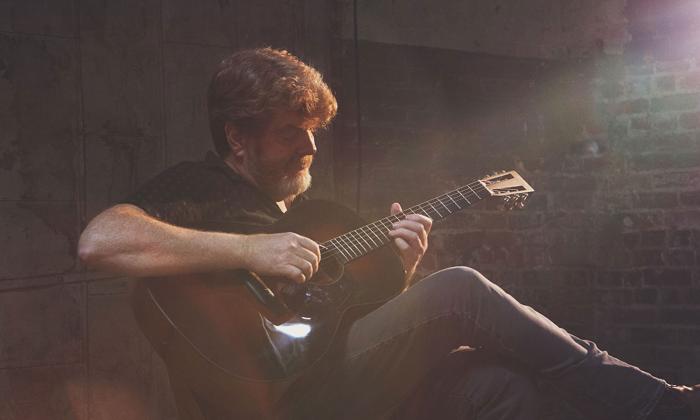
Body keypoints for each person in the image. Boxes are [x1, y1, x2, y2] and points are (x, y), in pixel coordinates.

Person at [78, 47, 699, 420]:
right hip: (279, 398)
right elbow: (100, 240)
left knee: (497, 388)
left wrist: (401, 269)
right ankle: (661, 408)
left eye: (313, 130)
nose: (310, 145)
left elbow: (347, 322)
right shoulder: (197, 187)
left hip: (333, 381)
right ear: (238, 137)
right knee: (459, 291)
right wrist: (249, 248)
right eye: (291, 131)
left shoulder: (319, 217)